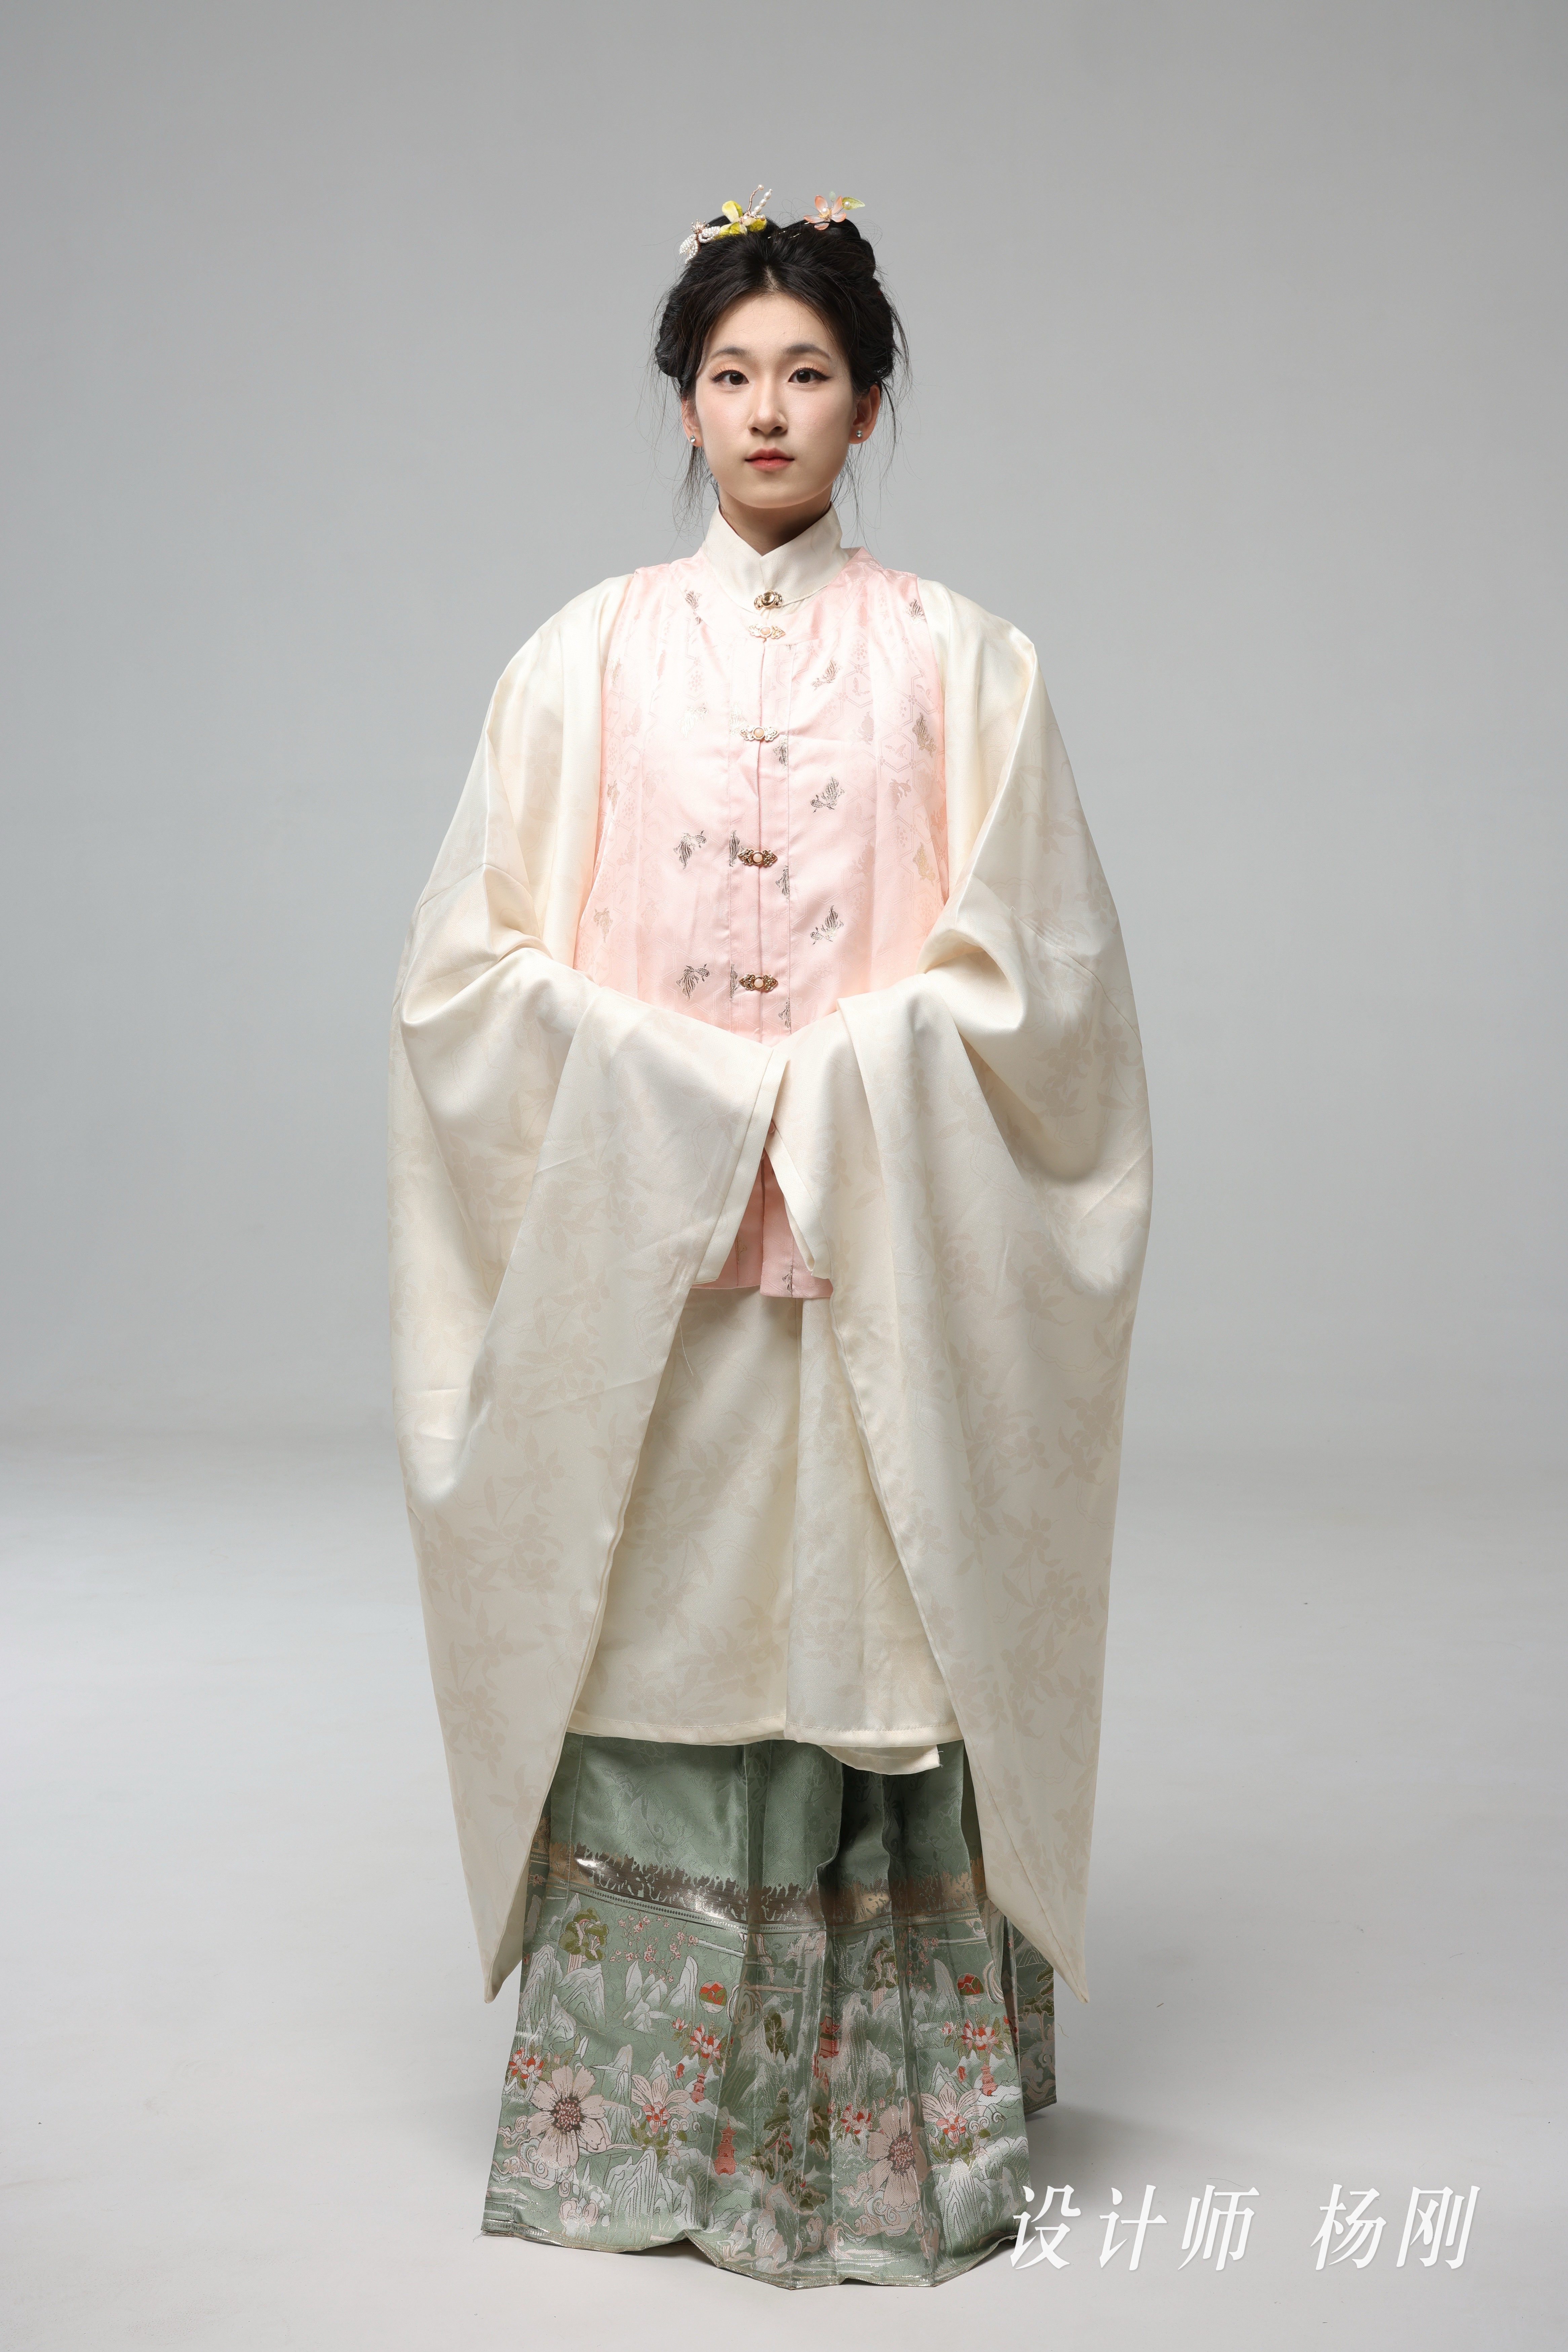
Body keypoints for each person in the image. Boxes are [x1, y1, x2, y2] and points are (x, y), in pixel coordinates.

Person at [388, 186, 1151, 2287]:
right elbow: (463, 980)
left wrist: (834, 1085)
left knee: (870, 1635)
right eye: (730, 373)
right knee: (660, 1622)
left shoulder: (965, 664)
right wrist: (667, 1084)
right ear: (682, 401)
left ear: (867, 405)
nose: (765, 409)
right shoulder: (578, 661)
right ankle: (638, 2130)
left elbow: (1045, 990)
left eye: (807, 371)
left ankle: (885, 2135)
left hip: (876, 1265)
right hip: (650, 1279)